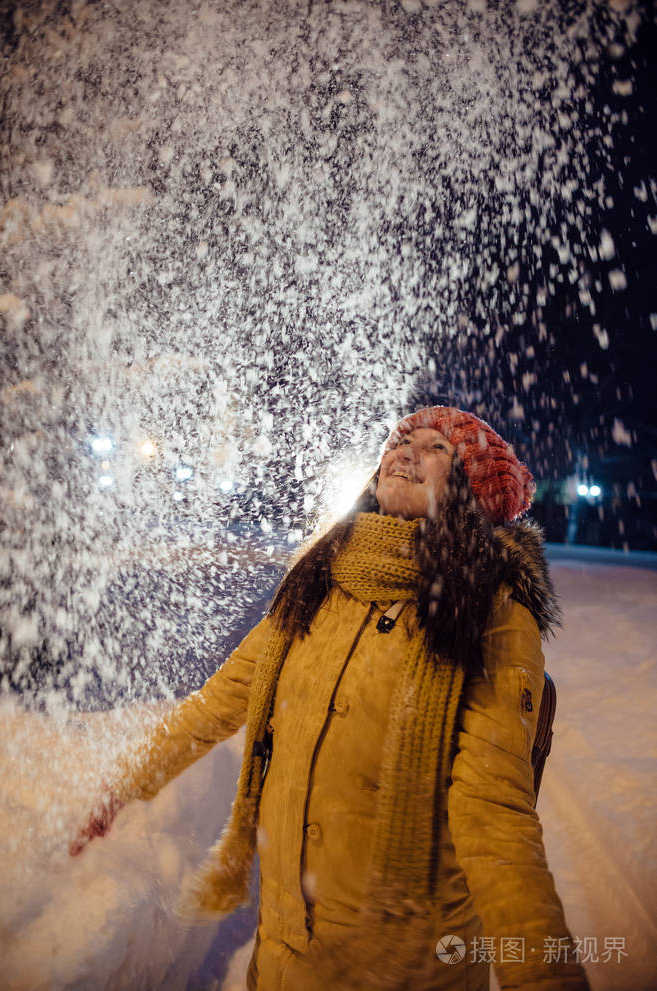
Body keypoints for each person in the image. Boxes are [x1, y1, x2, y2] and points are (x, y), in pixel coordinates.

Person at [70, 405, 591, 991]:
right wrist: (123, 786)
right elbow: (214, 707)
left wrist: (544, 974)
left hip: (402, 967)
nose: (405, 452)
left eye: (435, 448)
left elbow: (495, 821)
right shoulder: (322, 578)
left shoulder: (490, 612)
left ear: (473, 491)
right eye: (400, 440)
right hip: (283, 951)